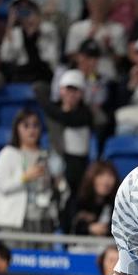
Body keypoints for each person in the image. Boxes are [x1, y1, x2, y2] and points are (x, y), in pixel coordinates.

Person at [37, 68, 98, 220]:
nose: (71, 94)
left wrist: (51, 109)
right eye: (68, 89)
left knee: (73, 198)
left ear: (82, 93)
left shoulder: (85, 113)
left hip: (77, 163)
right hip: (56, 160)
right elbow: (38, 87)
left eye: (76, 90)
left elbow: (69, 118)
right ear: (61, 90)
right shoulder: (54, 110)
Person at [0, 110, 60, 238]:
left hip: (43, 219)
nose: (31, 130)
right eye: (26, 126)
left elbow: (58, 186)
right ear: (17, 129)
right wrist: (25, 177)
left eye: (35, 125)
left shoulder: (48, 155)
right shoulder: (8, 154)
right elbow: (3, 187)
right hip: (14, 221)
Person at [65, 0, 127, 81]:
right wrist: (87, 43)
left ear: (110, 5)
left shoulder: (118, 29)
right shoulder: (76, 28)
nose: (100, 6)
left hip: (106, 73)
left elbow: (119, 59)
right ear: (88, 4)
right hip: (81, 74)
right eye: (96, 2)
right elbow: (71, 56)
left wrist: (109, 47)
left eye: (104, 2)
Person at [0, 0, 60, 84]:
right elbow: (5, 57)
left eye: (27, 7)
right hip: (20, 75)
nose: (24, 11)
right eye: (20, 8)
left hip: (42, 75)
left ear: (35, 8)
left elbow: (52, 60)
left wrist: (36, 32)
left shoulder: (48, 29)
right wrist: (10, 26)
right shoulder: (14, 33)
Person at [71, 160, 119, 236]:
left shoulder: (117, 205)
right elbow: (68, 227)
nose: (106, 181)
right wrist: (89, 228)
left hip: (107, 246)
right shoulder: (77, 201)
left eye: (110, 176)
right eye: (101, 175)